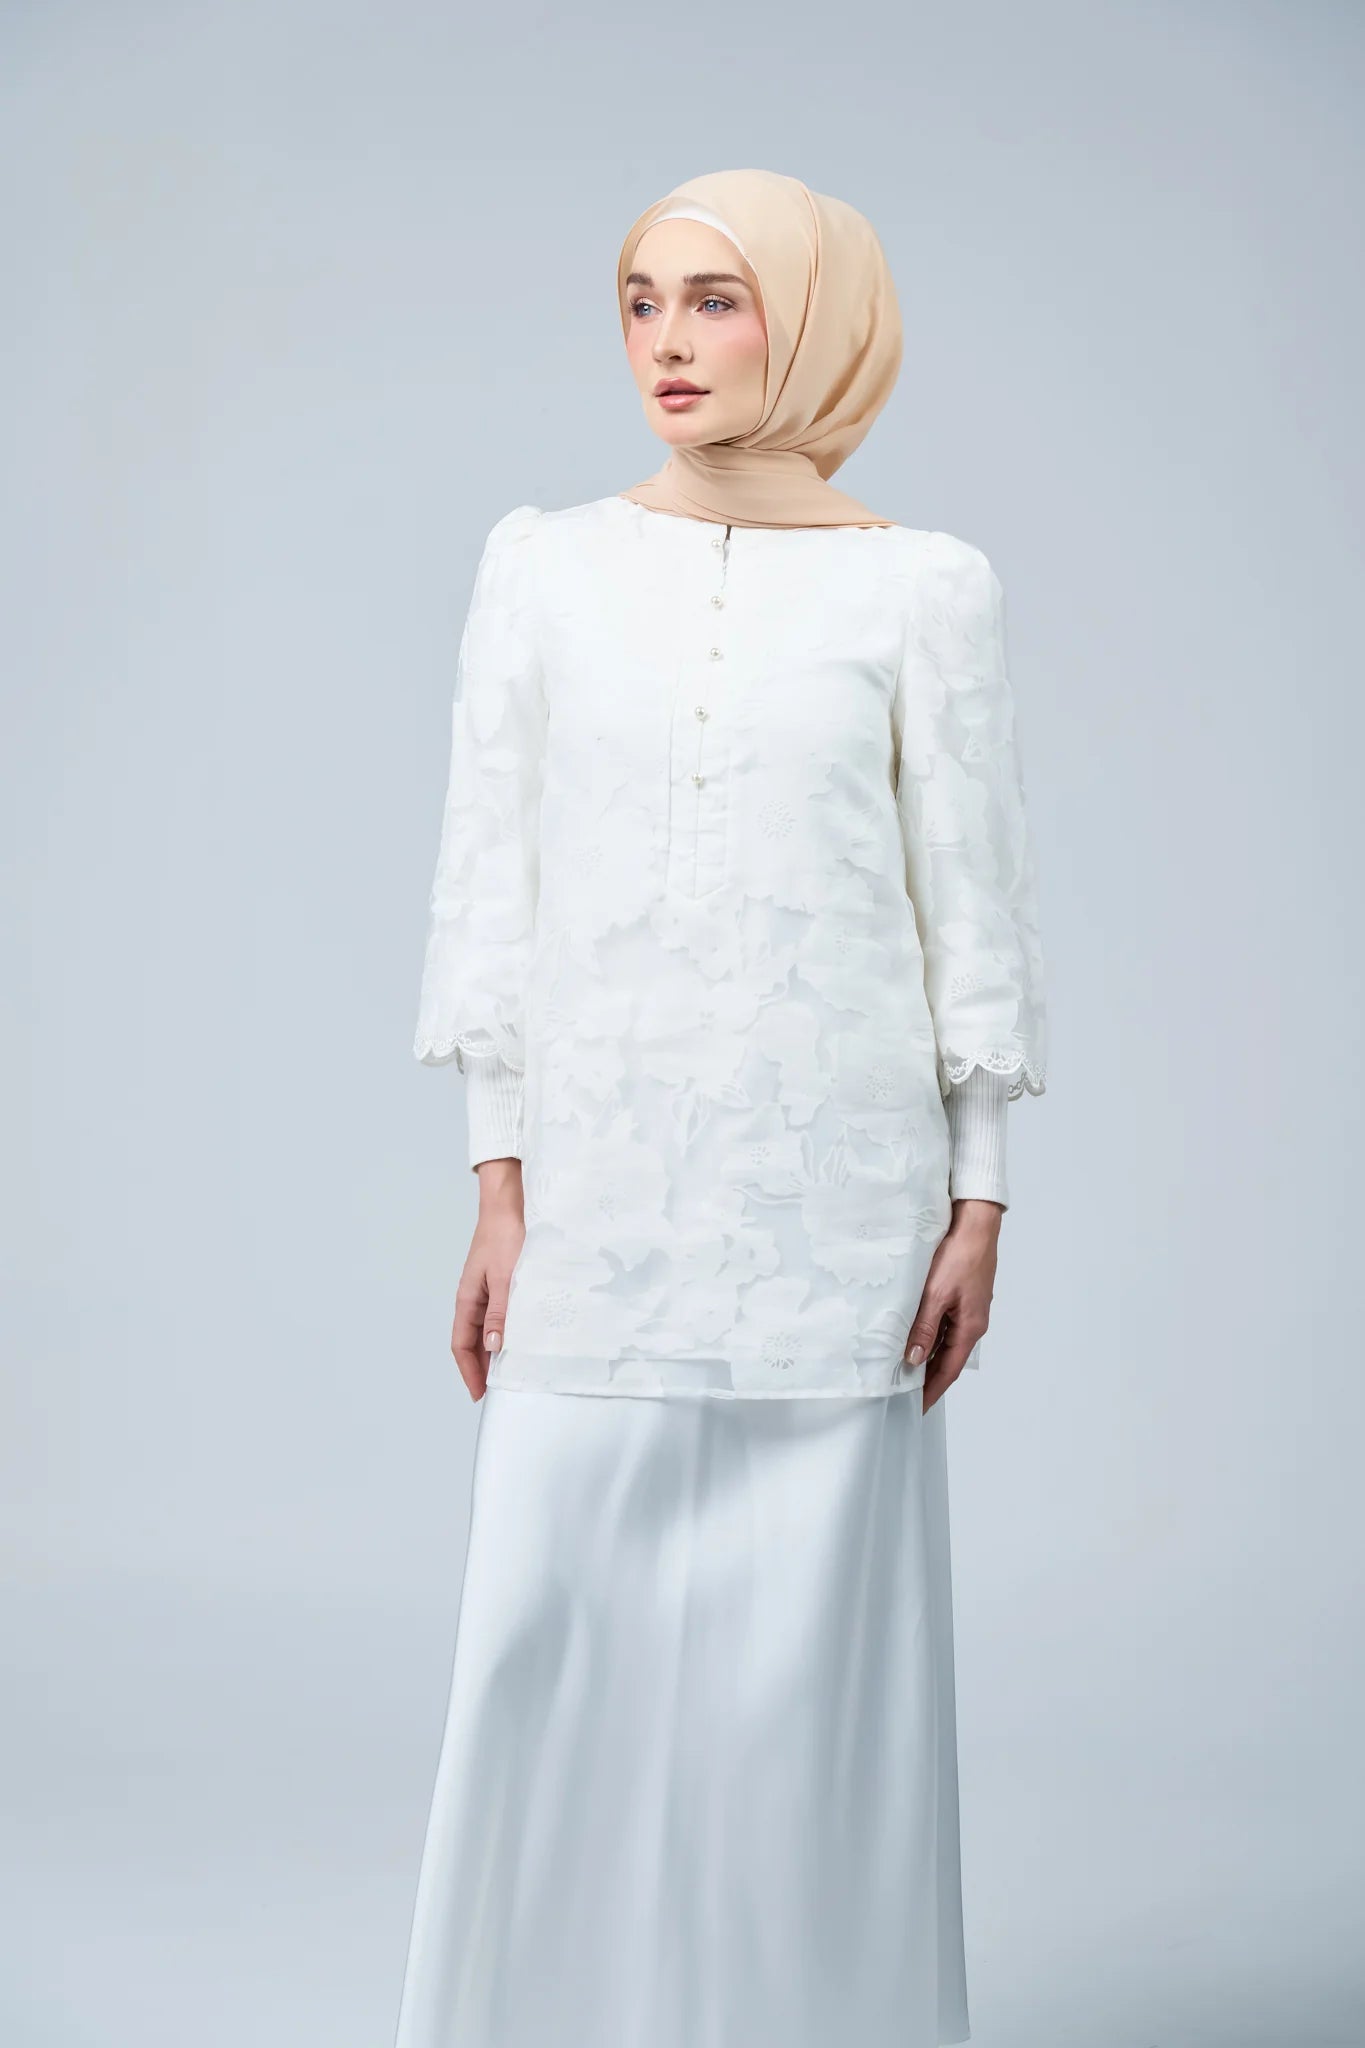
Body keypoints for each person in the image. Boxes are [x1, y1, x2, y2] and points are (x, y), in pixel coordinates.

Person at [393, 167, 1047, 2048]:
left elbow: (967, 903)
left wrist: (978, 1196)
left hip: (834, 1203)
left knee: (801, 1680)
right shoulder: (542, 566)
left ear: (815, 321)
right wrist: (496, 1179)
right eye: (639, 300)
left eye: (716, 299)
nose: (666, 343)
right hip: (597, 1193)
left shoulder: (922, 587)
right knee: (544, 1638)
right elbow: (492, 881)